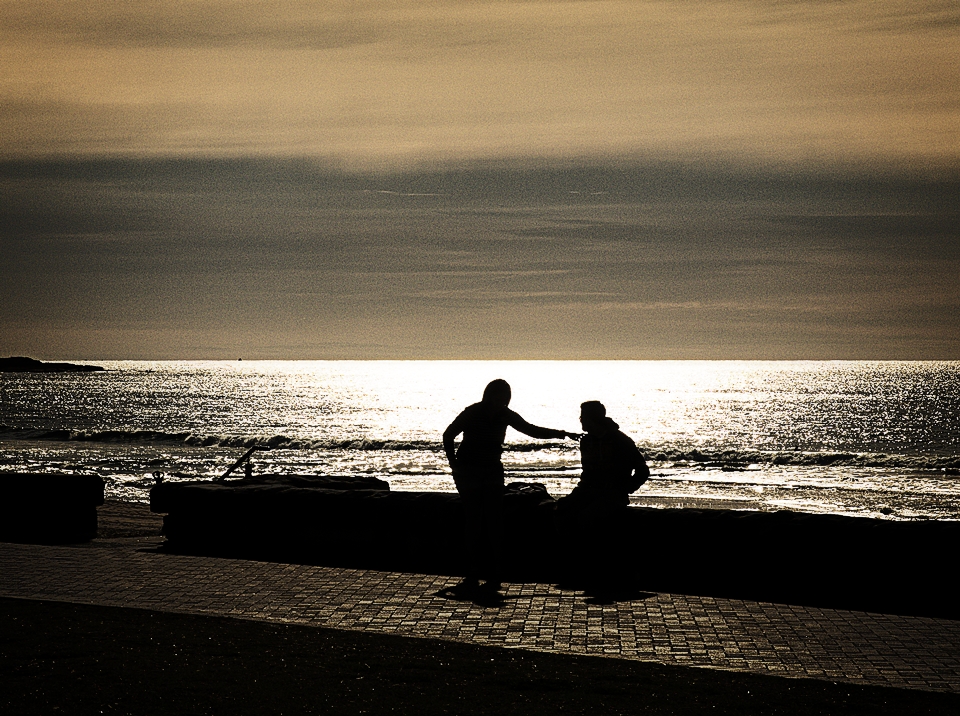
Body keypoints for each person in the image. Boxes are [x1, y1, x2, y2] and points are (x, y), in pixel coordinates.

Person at [443, 379, 579, 593]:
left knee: (494, 519)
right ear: (489, 396)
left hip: (492, 469)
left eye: (505, 398)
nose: (501, 402)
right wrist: (454, 464)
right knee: (474, 519)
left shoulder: (506, 415)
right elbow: (448, 435)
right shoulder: (472, 412)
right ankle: (474, 569)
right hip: (468, 470)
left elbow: (531, 430)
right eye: (498, 398)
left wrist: (561, 434)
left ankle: (496, 568)